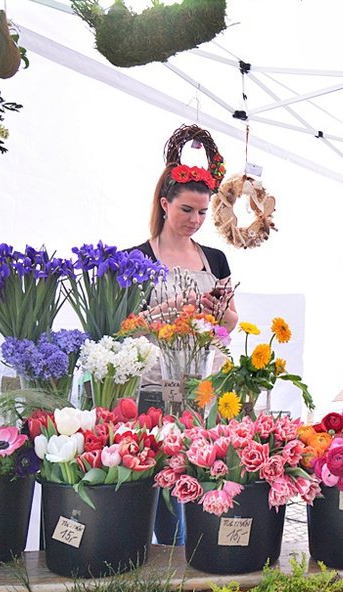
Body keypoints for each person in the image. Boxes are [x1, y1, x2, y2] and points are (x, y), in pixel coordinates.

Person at [129, 130, 239, 546]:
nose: (194, 220)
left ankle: (188, 560)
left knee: (193, 480)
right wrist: (158, 317)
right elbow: (123, 327)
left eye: (201, 213)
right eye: (186, 210)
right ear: (164, 204)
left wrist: (217, 312)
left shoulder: (215, 259)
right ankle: (156, 562)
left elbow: (230, 322)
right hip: (151, 390)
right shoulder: (138, 258)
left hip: (200, 389)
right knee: (153, 481)